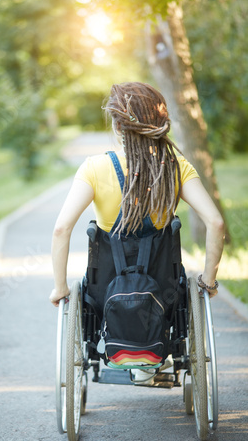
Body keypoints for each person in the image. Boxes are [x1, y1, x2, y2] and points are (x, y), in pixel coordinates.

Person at [50, 82, 225, 309]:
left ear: (117, 126)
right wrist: (208, 282)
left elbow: (61, 229)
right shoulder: (174, 167)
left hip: (105, 295)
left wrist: (60, 287)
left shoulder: (93, 168)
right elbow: (216, 223)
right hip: (164, 295)